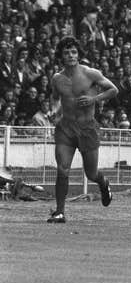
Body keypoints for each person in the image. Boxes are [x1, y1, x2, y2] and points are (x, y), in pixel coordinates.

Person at [47, 37, 118, 223]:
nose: (70, 55)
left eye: (73, 52)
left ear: (78, 54)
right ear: (61, 56)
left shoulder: (90, 73)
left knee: (91, 173)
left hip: (87, 128)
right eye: (66, 52)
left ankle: (104, 183)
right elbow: (55, 98)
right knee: (62, 170)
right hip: (66, 128)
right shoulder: (57, 78)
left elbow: (114, 90)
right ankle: (60, 212)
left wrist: (94, 99)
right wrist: (53, 111)